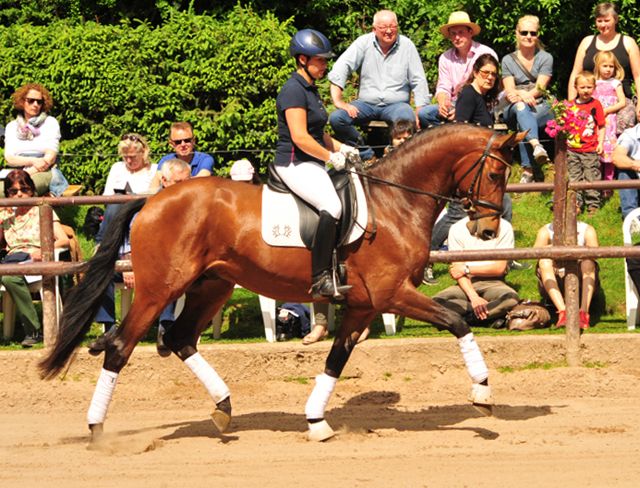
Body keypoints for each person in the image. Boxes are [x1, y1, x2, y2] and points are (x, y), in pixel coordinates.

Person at [273, 28, 359, 319]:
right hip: (293, 163)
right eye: (320, 60)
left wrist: (344, 148)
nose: (325, 65)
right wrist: (331, 157)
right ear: (302, 59)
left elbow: (317, 132)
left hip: (312, 161)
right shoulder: (293, 89)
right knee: (332, 205)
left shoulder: (310, 88)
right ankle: (321, 278)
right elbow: (299, 137)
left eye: (325, 60)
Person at [89, 158, 191, 353]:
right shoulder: (145, 202)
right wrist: (130, 264)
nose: (185, 187)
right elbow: (128, 233)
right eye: (179, 182)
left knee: (175, 270)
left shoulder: (191, 205)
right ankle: (108, 330)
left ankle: (165, 329)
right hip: (137, 261)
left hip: (166, 266)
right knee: (102, 270)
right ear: (165, 181)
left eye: (187, 181)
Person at [328, 10, 430, 162]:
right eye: (383, 27)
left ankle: (392, 157)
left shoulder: (407, 46)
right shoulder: (363, 43)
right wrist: (338, 101)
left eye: (393, 26)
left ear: (398, 27)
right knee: (337, 118)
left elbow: (418, 79)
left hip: (397, 105)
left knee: (407, 119)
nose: (389, 30)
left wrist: (420, 110)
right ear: (374, 29)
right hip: (365, 104)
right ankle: (366, 155)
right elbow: (341, 67)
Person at [0, 170, 70, 347]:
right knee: (9, 274)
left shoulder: (42, 210)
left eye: (23, 189)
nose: (20, 195)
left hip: (35, 260)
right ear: (8, 194)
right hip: (11, 259)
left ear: (31, 190)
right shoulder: (6, 214)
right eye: (13, 192)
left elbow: (64, 240)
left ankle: (34, 330)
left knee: (10, 277)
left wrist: (45, 250)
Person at [432, 216, 519, 328]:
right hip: (466, 282)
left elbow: (499, 269)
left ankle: (465, 319)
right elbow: (457, 271)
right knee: (435, 304)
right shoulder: (457, 228)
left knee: (510, 299)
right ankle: (491, 315)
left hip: (494, 282)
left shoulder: (504, 226)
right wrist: (474, 297)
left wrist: (466, 269)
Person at [419, 11, 497, 127]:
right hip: (455, 103)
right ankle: (447, 139)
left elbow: (492, 86)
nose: (457, 37)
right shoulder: (445, 58)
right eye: (453, 33)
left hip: (482, 103)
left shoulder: (486, 53)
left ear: (470, 32)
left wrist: (464, 109)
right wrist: (443, 104)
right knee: (424, 113)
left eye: (461, 32)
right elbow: (443, 87)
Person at [568, 2, 640, 125]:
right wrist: (571, 104)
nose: (603, 25)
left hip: (621, 101)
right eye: (599, 21)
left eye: (607, 21)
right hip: (589, 98)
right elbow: (576, 73)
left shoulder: (628, 42)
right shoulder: (587, 42)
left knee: (625, 122)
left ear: (616, 19)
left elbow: (638, 75)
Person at [501, 15, 553, 184]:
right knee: (521, 108)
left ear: (538, 35)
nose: (528, 36)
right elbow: (509, 89)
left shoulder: (546, 58)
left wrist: (524, 94)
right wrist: (521, 95)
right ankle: (537, 146)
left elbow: (540, 87)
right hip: (514, 105)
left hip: (540, 104)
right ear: (517, 34)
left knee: (523, 121)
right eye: (524, 32)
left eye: (533, 33)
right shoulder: (508, 60)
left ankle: (528, 172)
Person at [533, 211, 600, 330]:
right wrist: (556, 247)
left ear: (577, 208)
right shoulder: (546, 230)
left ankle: (584, 312)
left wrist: (574, 249)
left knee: (589, 261)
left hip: (579, 276)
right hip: (555, 275)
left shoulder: (587, 230)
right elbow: (534, 252)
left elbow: (595, 253)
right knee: (543, 261)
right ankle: (562, 311)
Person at [93, 133, 157, 247]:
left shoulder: (154, 170)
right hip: (117, 211)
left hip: (142, 211)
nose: (129, 160)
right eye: (125, 156)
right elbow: (106, 198)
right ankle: (102, 243)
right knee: (118, 196)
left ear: (142, 153)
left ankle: (103, 242)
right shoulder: (117, 167)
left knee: (131, 196)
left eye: (132, 157)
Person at [3, 83, 61, 196]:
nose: (35, 104)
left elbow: (50, 157)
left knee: (26, 191)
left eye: (39, 102)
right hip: (16, 171)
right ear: (22, 101)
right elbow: (10, 159)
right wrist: (32, 161)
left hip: (42, 170)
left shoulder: (50, 123)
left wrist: (28, 172)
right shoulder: (11, 126)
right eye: (31, 100)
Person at [566, 71, 606, 216]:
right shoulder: (570, 105)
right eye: (582, 87)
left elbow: (601, 125)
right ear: (576, 87)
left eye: (589, 87)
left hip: (590, 148)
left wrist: (600, 143)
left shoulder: (596, 105)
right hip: (572, 148)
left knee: (592, 176)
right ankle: (575, 204)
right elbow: (565, 125)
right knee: (573, 177)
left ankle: (593, 205)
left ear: (594, 88)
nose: (586, 90)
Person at [593, 50, 626, 196]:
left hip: (609, 121)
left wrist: (607, 110)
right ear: (598, 66)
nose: (608, 69)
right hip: (594, 122)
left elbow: (623, 102)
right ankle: (596, 183)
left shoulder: (615, 83)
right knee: (596, 151)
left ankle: (608, 184)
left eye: (611, 66)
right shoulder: (592, 82)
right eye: (605, 66)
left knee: (609, 151)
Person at [148, 122, 214, 191]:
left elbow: (202, 177)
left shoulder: (205, 159)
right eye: (178, 142)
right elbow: (157, 179)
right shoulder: (165, 161)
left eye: (187, 140)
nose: (183, 145)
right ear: (171, 144)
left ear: (193, 141)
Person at [454, 54, 502, 128]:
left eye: (493, 74)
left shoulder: (483, 97)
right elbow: (459, 128)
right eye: (485, 72)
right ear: (475, 73)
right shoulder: (469, 94)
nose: (490, 77)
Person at [612, 122, 640, 221]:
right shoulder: (631, 134)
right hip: (637, 180)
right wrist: (634, 165)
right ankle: (632, 220)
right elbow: (616, 157)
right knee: (624, 171)